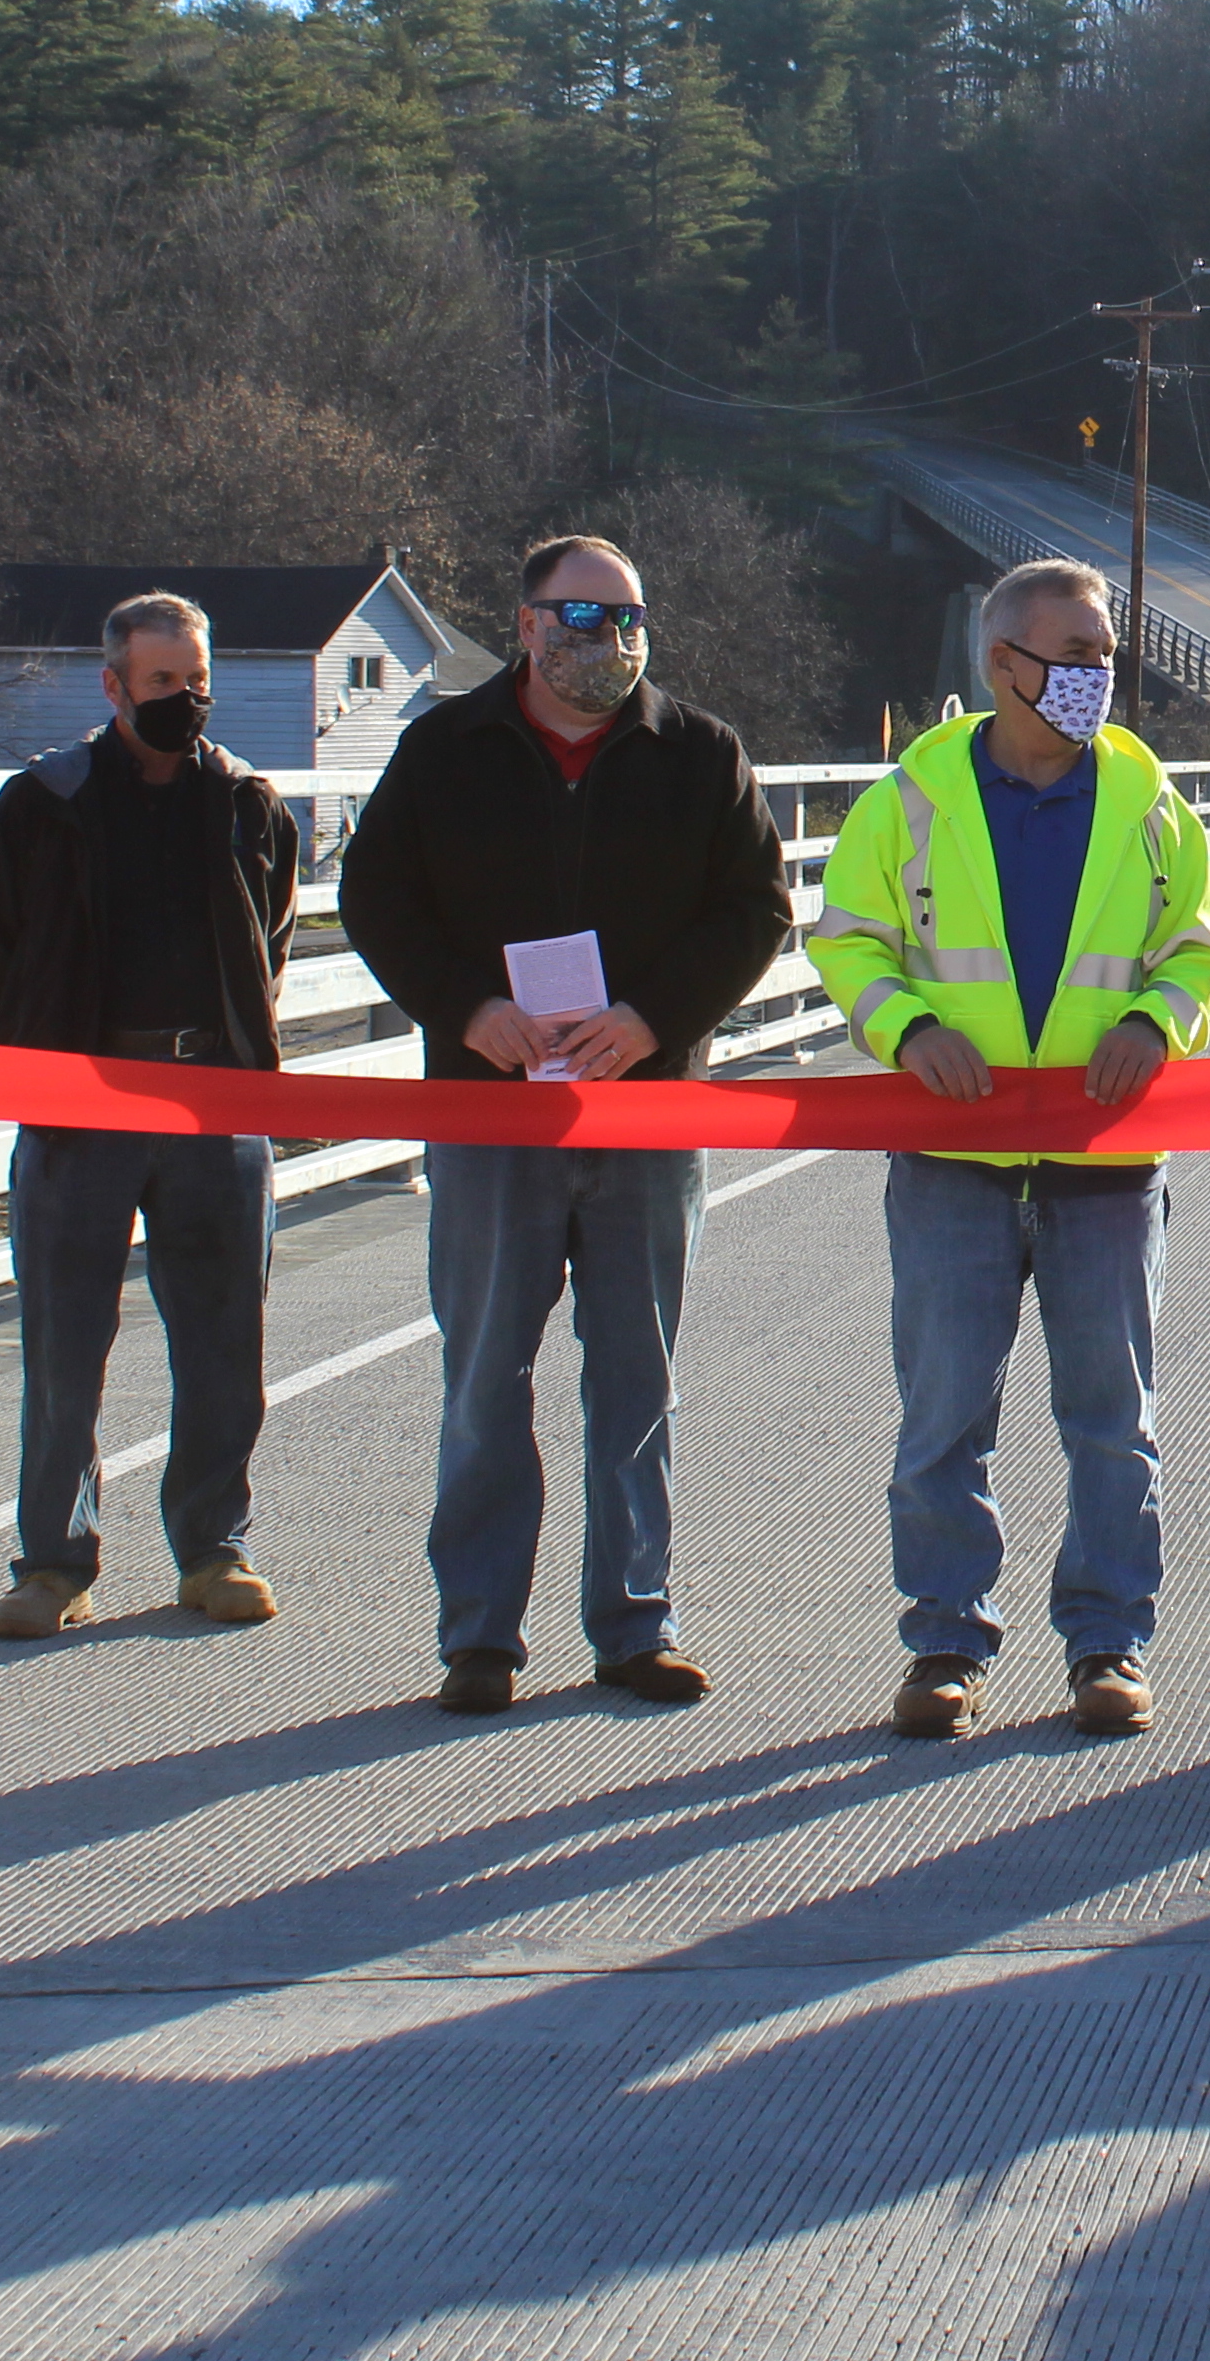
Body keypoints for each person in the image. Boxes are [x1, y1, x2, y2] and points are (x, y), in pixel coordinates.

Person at [340, 532, 794, 1717]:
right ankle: (480, 1636)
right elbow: (376, 897)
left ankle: (636, 1623)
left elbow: (756, 910)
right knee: (487, 1375)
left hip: (642, 1108)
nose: (613, 640)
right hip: (492, 1114)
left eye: (631, 618)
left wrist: (653, 1018)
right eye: (586, 617)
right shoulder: (445, 749)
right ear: (530, 623)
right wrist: (465, 1007)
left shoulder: (699, 756)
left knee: (636, 1377)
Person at [806, 558, 1210, 1743]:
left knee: (1113, 1415)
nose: (1101, 677)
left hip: (1108, 1163)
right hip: (954, 1161)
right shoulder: (913, 800)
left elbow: (1197, 951)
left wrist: (1158, 1025)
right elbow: (849, 940)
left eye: (1108, 656)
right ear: (1005, 666)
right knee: (945, 1411)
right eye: (1079, 657)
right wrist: (909, 1031)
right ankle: (946, 1642)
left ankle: (1110, 1644)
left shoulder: (1150, 805)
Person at [0, 589, 303, 1641]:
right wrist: (24, 1075)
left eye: (197, 684)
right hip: (80, 1105)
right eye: (162, 685)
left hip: (213, 1102)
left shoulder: (247, 801)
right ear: (112, 687)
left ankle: (214, 1547)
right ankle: (54, 1562)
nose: (184, 702)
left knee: (225, 1339)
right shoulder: (43, 804)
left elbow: (272, 935)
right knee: (65, 1345)